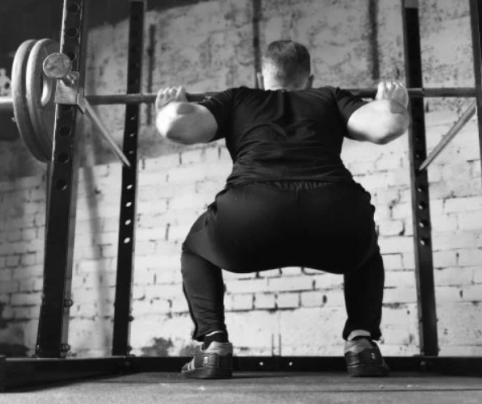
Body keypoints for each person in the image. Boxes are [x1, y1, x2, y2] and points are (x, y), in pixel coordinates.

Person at [155, 40, 410, 379]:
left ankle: (214, 346)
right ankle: (362, 344)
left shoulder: (238, 97)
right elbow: (386, 127)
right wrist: (391, 102)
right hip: (333, 216)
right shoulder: (330, 96)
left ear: (263, 76)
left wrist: (170, 107)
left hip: (249, 219)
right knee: (365, 247)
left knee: (195, 249)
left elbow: (177, 127)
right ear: (310, 77)